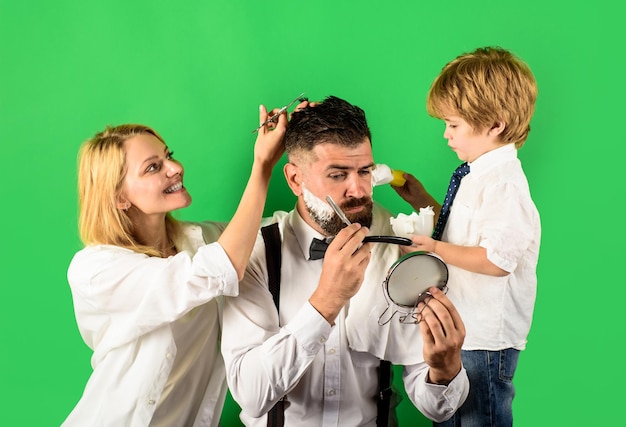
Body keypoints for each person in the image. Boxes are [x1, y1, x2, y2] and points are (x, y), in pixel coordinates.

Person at [220, 96, 469, 427]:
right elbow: (251, 395)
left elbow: (437, 408)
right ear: (295, 179)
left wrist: (444, 369)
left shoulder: (397, 243)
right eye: (338, 175)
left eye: (364, 171)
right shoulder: (254, 252)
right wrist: (327, 300)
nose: (358, 190)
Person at [63, 102, 295, 426]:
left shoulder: (200, 239)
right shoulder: (95, 270)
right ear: (119, 198)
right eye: (153, 167)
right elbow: (217, 268)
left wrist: (323, 163)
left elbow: (278, 231)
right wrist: (262, 165)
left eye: (169, 155)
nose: (175, 167)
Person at [394, 47, 541, 427]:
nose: (445, 135)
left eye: (453, 125)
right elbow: (469, 234)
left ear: (494, 124)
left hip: (485, 341)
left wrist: (434, 247)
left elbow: (496, 260)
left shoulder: (505, 184)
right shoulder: (477, 175)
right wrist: (424, 200)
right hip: (465, 332)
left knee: (480, 418)